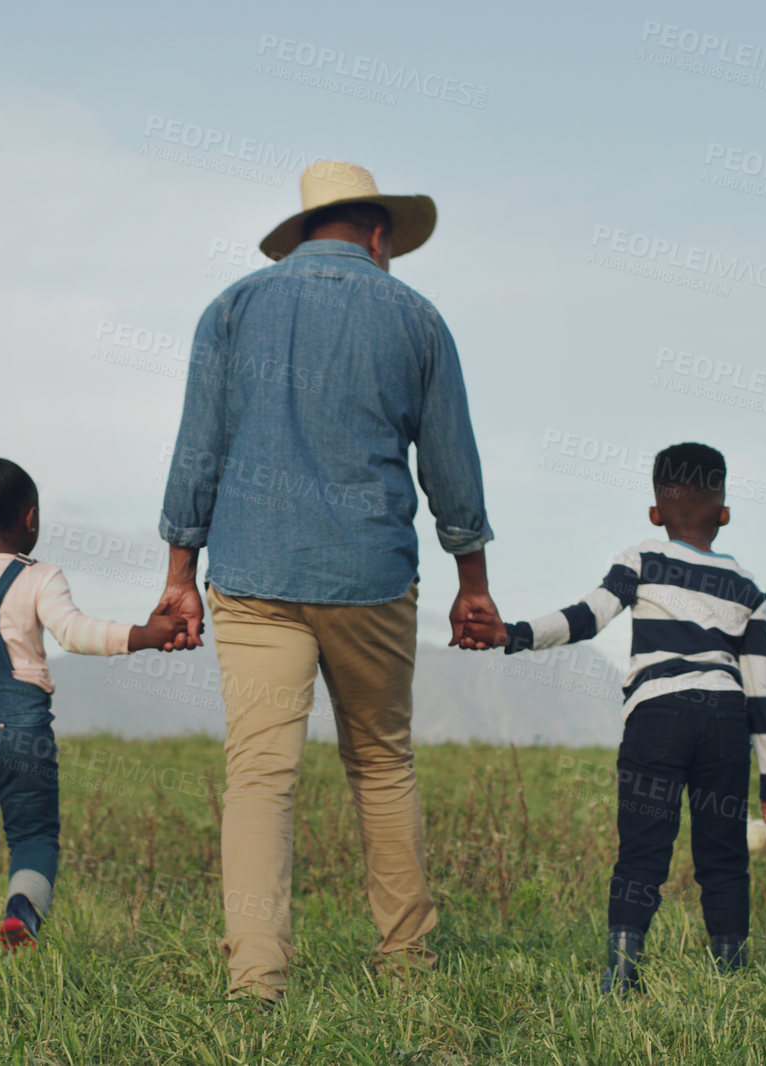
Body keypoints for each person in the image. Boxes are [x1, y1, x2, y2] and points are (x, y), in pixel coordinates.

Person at [154, 160, 500, 1003]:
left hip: (254, 572)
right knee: (381, 765)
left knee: (259, 778)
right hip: (370, 576)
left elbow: (198, 447)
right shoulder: (416, 319)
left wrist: (178, 575)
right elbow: (451, 466)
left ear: (304, 231)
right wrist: (472, 582)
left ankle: (256, 979)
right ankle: (405, 964)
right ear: (378, 234)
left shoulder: (232, 308)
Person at [463, 442, 766, 992]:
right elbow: (762, 690)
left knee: (643, 847)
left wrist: (514, 634)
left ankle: (622, 971)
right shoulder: (747, 588)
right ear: (726, 513)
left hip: (658, 715)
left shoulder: (642, 558)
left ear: (655, 513)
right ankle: (731, 974)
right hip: (725, 720)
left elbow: (588, 617)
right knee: (724, 853)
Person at [0, 437, 187, 954]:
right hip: (22, 728)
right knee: (33, 833)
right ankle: (22, 913)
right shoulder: (41, 577)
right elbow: (74, 634)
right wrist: (143, 634)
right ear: (30, 518)